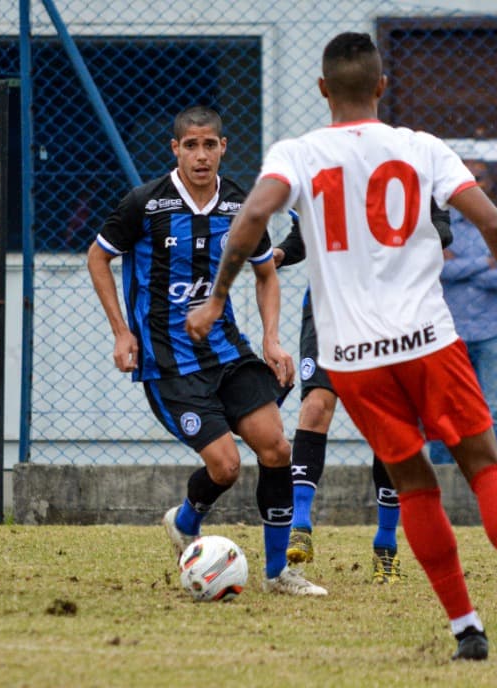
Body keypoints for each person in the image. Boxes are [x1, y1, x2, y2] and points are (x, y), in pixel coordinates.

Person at [185, 33, 497, 661]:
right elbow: (491, 224)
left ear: (323, 89)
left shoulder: (297, 153)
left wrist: (217, 296)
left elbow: (248, 225)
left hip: (352, 356)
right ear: (382, 86)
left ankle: (466, 629)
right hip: (429, 340)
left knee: (415, 484)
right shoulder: (422, 148)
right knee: (484, 464)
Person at [87, 105, 327, 597]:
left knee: (277, 448)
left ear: (223, 148)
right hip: (168, 365)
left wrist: (271, 338)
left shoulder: (239, 204)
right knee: (226, 467)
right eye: (190, 145)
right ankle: (185, 520)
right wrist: (120, 331)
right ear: (175, 149)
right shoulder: (144, 204)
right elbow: (98, 257)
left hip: (227, 355)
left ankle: (279, 572)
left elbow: (265, 273)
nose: (201, 155)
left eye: (209, 145)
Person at [274, 201, 452, 583]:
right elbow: (304, 235)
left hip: (391, 312)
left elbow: (440, 232)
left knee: (389, 424)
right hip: (329, 309)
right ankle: (300, 525)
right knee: (316, 404)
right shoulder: (325, 167)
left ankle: (385, 544)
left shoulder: (412, 170)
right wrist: (280, 254)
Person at [427, 160, 497, 465]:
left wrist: (459, 263)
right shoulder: (440, 226)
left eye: (479, 178)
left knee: (493, 410)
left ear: (489, 183)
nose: (474, 184)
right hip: (449, 333)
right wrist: (485, 262)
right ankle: (442, 473)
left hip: (493, 330)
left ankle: (495, 474)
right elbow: (435, 270)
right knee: (445, 408)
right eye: (467, 178)